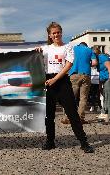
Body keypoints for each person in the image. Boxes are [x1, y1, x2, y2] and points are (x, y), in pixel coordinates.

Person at [35, 22, 94, 153]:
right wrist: (37, 51)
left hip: (62, 82)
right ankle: (50, 141)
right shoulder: (45, 48)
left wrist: (55, 79)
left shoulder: (68, 47)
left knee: (72, 114)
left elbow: (68, 65)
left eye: (58, 32)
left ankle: (84, 142)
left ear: (61, 33)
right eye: (54, 33)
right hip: (48, 82)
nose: (56, 35)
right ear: (50, 35)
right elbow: (33, 58)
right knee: (49, 115)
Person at [61, 42, 97, 124]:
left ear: (79, 45)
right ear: (86, 45)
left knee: (70, 97)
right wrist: (87, 64)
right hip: (86, 75)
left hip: (74, 75)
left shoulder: (73, 49)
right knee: (83, 98)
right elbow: (94, 63)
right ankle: (80, 118)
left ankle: (67, 118)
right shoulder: (89, 50)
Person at [96, 48, 110, 122]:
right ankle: (104, 113)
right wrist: (100, 85)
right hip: (103, 79)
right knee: (105, 96)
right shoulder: (98, 60)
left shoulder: (102, 57)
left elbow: (109, 67)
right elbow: (100, 73)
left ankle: (108, 117)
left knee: (108, 97)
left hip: (108, 79)